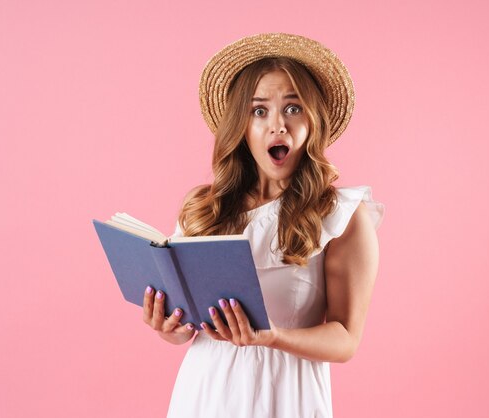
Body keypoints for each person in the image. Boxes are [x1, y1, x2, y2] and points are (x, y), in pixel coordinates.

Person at [142, 33, 384, 417]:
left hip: (285, 396)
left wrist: (271, 337)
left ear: (313, 121)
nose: (278, 126)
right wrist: (169, 328)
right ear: (241, 126)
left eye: (293, 108)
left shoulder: (341, 216)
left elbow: (345, 339)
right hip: (205, 393)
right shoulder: (203, 210)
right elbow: (189, 326)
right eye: (259, 111)